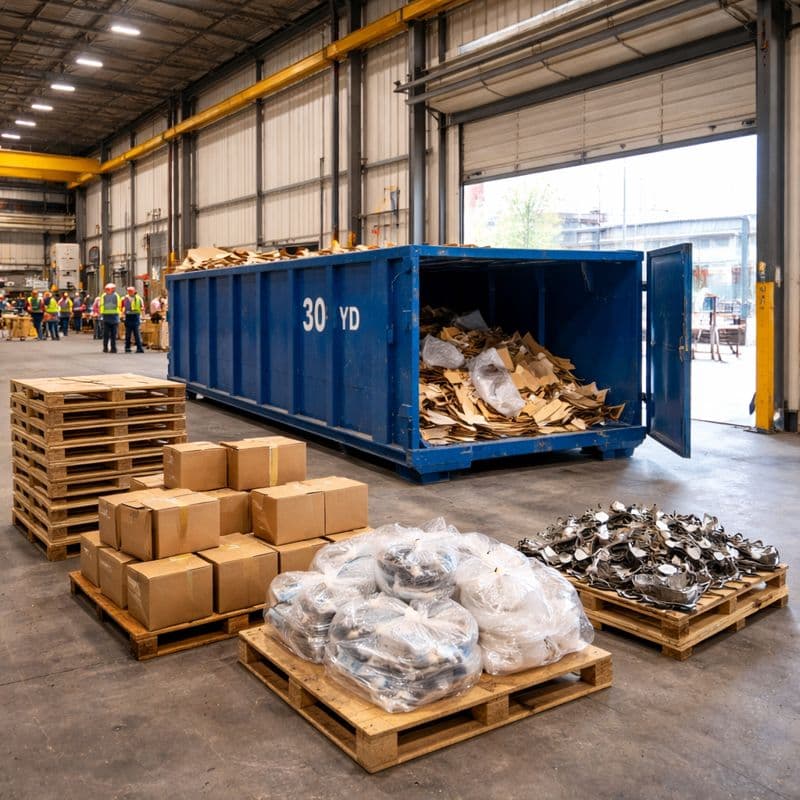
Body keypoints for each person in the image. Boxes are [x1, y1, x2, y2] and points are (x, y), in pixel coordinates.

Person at [100, 283, 122, 353]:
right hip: (113, 316)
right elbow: (119, 305)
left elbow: (101, 305)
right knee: (112, 334)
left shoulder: (103, 296)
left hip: (108, 316)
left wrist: (101, 313)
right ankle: (112, 348)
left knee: (106, 334)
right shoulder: (116, 296)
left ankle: (106, 348)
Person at [122, 286, 145, 353]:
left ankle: (139, 348)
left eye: (131, 291)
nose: (129, 292)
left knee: (137, 334)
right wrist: (123, 315)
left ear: (135, 291)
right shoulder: (125, 298)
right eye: (128, 291)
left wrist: (142, 316)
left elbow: (142, 307)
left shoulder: (139, 298)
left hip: (135, 317)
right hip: (128, 317)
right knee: (128, 334)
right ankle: (127, 348)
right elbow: (123, 307)